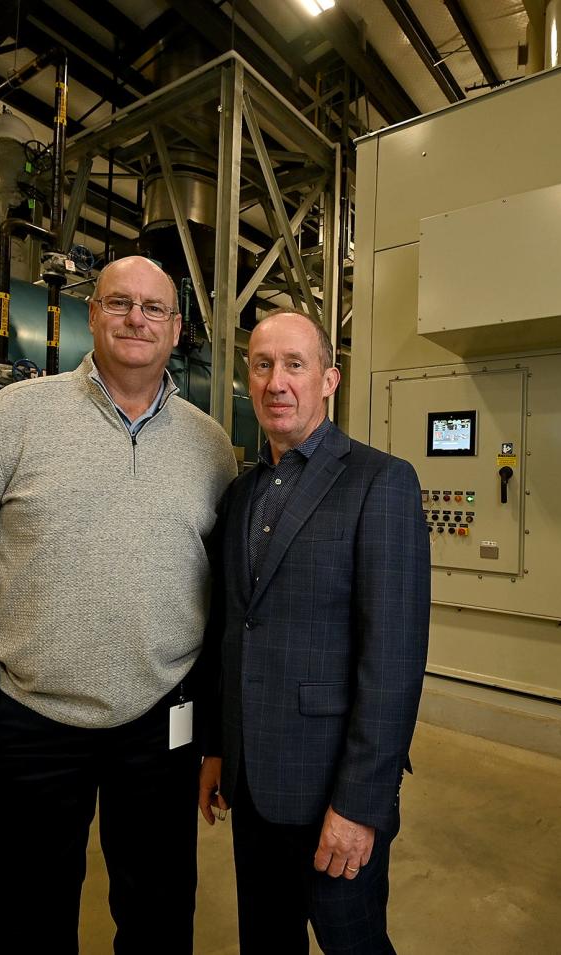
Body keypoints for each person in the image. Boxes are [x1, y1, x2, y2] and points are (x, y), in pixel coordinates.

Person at [0, 255, 237, 954]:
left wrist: (208, 722)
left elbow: (224, 591)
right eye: (120, 303)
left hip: (159, 729)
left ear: (176, 330)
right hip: (25, 725)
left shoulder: (210, 445)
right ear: (92, 314)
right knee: (28, 921)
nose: (136, 319)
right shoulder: (9, 418)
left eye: (154, 308)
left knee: (159, 918)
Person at [198, 309, 430, 954]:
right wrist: (217, 748)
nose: (278, 382)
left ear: (329, 379)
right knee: (265, 942)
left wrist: (360, 805)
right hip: (252, 782)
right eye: (263, 365)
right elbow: (232, 630)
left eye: (295, 365)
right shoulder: (241, 493)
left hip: (331, 787)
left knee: (352, 942)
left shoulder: (379, 482)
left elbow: (395, 661)